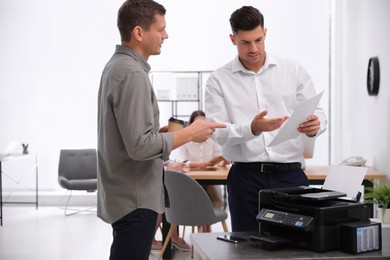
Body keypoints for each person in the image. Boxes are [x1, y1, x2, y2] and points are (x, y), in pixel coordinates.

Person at [97, 1, 225, 260]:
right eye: (161, 29)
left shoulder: (117, 67)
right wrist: (190, 133)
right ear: (139, 33)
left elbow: (129, 135)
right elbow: (140, 146)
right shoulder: (132, 74)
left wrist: (162, 132)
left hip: (124, 194)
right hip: (136, 199)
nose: (166, 35)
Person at [204, 6, 327, 232]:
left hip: (291, 177)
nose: (254, 48)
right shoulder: (218, 80)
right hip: (246, 180)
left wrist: (315, 125)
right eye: (245, 42)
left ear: (265, 33)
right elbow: (219, 133)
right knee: (245, 249)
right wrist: (251, 128)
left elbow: (318, 112)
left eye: (258, 40)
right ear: (233, 39)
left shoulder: (293, 70)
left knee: (296, 248)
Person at [175, 110, 226, 213]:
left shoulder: (213, 139)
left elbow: (218, 156)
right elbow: (179, 159)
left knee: (218, 201)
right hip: (190, 180)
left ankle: (207, 224)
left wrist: (223, 161)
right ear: (191, 125)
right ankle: (202, 221)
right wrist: (194, 164)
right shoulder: (185, 139)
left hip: (210, 179)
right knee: (196, 201)